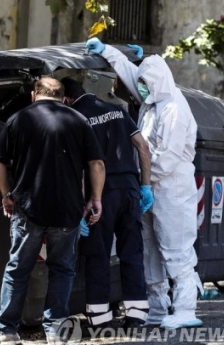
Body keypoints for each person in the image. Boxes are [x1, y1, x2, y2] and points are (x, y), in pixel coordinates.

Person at [85, 37, 204, 329]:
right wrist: (111, 52)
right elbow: (132, 74)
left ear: (157, 82)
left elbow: (168, 157)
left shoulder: (174, 108)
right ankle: (158, 308)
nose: (139, 89)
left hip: (172, 189)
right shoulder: (153, 101)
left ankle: (186, 308)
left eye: (145, 84)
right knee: (149, 249)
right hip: (149, 188)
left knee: (176, 250)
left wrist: (145, 180)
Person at [0, 76, 106, 345]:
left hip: (28, 207)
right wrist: (95, 198)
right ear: (63, 98)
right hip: (67, 210)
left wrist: (6, 194)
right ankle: (54, 329)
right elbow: (96, 164)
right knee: (63, 270)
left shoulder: (19, 119)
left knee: (18, 268)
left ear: (34, 95)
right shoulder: (78, 120)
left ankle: (7, 330)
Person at [61, 77, 153, 329]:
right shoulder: (117, 110)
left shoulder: (75, 118)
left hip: (100, 194)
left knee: (98, 254)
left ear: (66, 99)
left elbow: (83, 167)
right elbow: (143, 147)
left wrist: (82, 204)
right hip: (131, 190)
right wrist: (145, 185)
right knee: (132, 252)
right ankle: (137, 315)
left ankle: (100, 319)